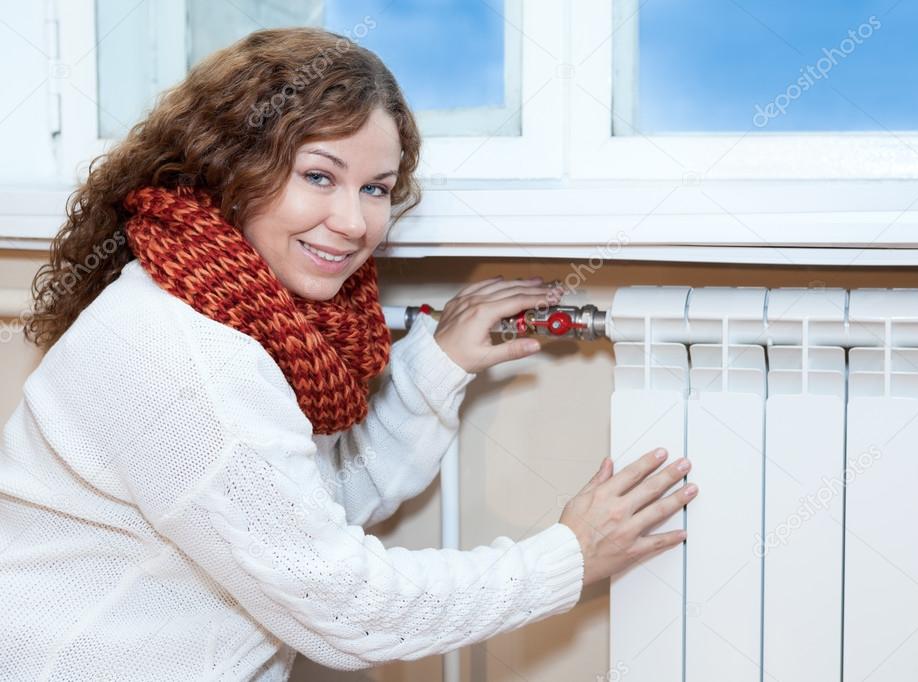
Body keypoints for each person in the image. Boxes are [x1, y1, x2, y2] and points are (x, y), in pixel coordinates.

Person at [0, 27, 699, 679]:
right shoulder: (189, 356)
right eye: (318, 176)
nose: (352, 221)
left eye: (376, 189)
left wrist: (438, 367)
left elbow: (304, 510)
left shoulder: (218, 300)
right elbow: (341, 606)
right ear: (227, 168)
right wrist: (567, 557)